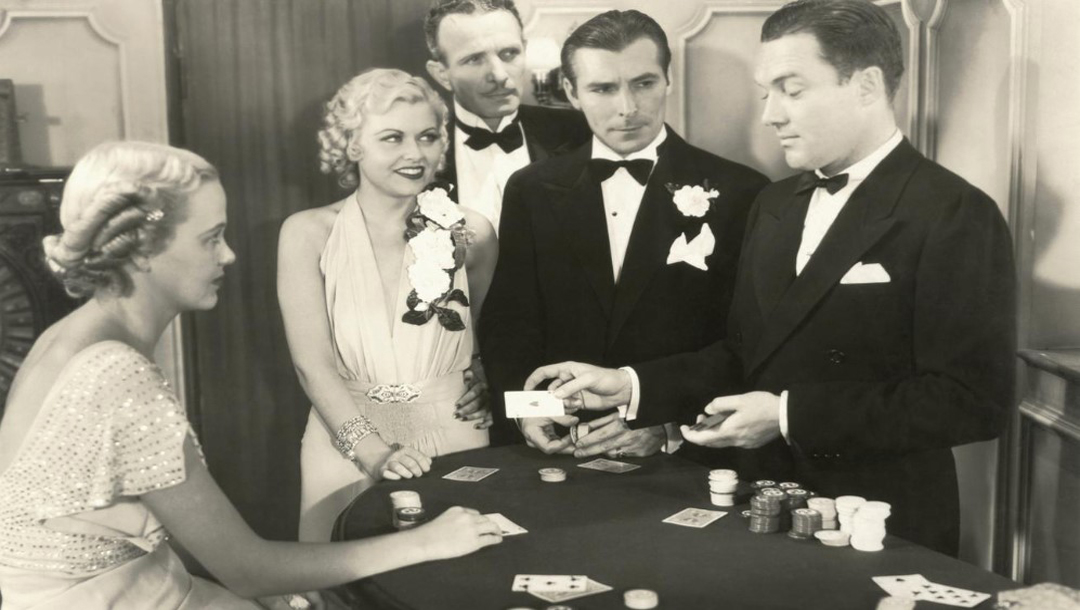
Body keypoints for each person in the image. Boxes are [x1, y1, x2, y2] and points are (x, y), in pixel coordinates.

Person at [525, 0, 1016, 556]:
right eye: (766, 93)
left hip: (879, 523)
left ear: (866, 85)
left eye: (792, 89)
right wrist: (635, 385)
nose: (771, 115)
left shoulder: (953, 212)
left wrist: (786, 416)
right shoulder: (777, 203)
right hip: (756, 507)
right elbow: (745, 354)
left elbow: (972, 402)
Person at [0, 141, 502, 610]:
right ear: (143, 251)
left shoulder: (72, 337)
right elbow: (248, 569)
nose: (229, 255)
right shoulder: (115, 373)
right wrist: (425, 542)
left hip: (134, 579)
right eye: (211, 239)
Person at [479, 10, 769, 455]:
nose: (627, 107)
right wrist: (529, 408)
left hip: (687, 454)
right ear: (572, 93)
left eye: (643, 83)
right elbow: (510, 325)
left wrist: (664, 422)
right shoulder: (532, 189)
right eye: (603, 88)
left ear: (668, 80)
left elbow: (747, 345)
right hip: (559, 446)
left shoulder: (743, 192)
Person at [279, 69, 499, 542]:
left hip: (455, 435)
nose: (414, 154)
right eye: (392, 138)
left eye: (426, 137)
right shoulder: (306, 234)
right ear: (353, 144)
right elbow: (310, 366)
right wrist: (374, 451)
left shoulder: (473, 233)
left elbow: (488, 332)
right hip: (344, 439)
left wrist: (484, 377)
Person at [423, 0, 591, 231]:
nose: (499, 75)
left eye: (509, 53)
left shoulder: (580, 133)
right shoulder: (419, 152)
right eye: (474, 59)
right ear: (442, 74)